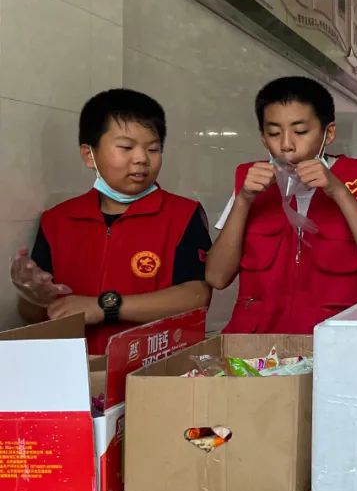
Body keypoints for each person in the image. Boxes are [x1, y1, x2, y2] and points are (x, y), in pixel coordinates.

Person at [10, 89, 211, 354]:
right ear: (89, 155)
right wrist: (31, 296)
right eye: (126, 147)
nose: (141, 158)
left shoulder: (183, 214)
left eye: (153, 149)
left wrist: (106, 306)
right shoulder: (57, 220)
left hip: (152, 365)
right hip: (77, 367)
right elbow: (35, 316)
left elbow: (196, 295)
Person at [206, 76, 357, 333]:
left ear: (329, 133)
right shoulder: (250, 183)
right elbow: (217, 277)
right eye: (274, 133)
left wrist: (339, 192)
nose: (286, 145)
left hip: (338, 341)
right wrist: (242, 201)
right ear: (263, 138)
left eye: (300, 132)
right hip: (260, 345)